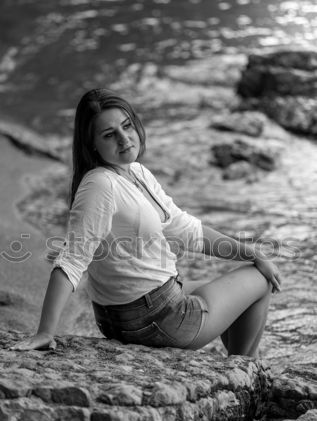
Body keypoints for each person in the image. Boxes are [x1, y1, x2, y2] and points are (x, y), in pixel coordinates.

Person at [11, 88, 281, 355]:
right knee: (260, 278)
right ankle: (244, 369)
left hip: (126, 314)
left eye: (126, 126)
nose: (124, 138)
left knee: (242, 276)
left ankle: (244, 366)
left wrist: (251, 252)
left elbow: (184, 228)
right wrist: (45, 332)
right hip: (154, 318)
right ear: (92, 144)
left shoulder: (135, 172)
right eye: (109, 135)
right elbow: (72, 259)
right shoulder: (100, 185)